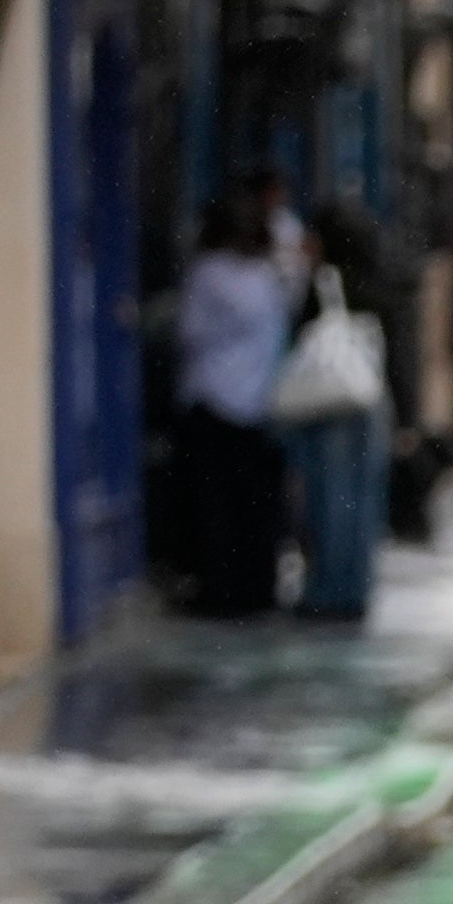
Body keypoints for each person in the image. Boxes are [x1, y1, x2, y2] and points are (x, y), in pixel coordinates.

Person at [174, 197, 291, 617]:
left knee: (213, 503)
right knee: (254, 503)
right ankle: (257, 587)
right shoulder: (265, 277)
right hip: (257, 402)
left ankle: (219, 589)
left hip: (211, 398)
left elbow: (189, 332)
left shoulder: (207, 275)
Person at [288, 197, 392, 623]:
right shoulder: (377, 280)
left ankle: (328, 591)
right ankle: (356, 587)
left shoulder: (324, 283)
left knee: (328, 500)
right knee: (362, 500)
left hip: (329, 404)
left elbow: (300, 334)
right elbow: (396, 343)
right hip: (369, 399)